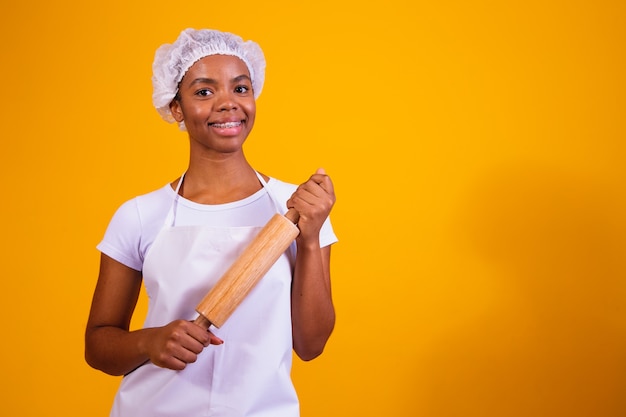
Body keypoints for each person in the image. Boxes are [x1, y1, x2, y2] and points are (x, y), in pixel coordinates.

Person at [85, 28, 337, 417]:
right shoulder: (140, 215)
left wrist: (309, 237)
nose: (227, 104)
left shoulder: (299, 207)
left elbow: (311, 345)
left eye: (240, 89)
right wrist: (149, 342)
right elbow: (98, 346)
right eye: (204, 92)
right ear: (177, 108)